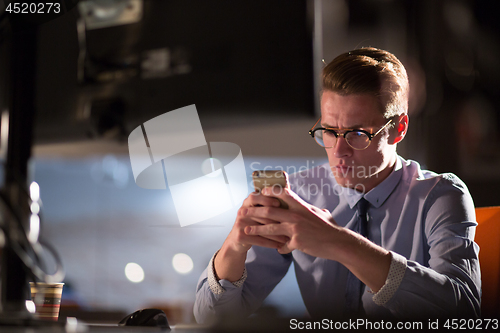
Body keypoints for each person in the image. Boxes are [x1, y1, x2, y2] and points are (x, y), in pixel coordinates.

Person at [193, 47, 481, 321]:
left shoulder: (441, 195)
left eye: (357, 133)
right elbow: (210, 318)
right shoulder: (299, 195)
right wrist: (234, 245)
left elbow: (465, 311)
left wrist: (337, 242)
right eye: (329, 131)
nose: (338, 151)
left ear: (398, 129)